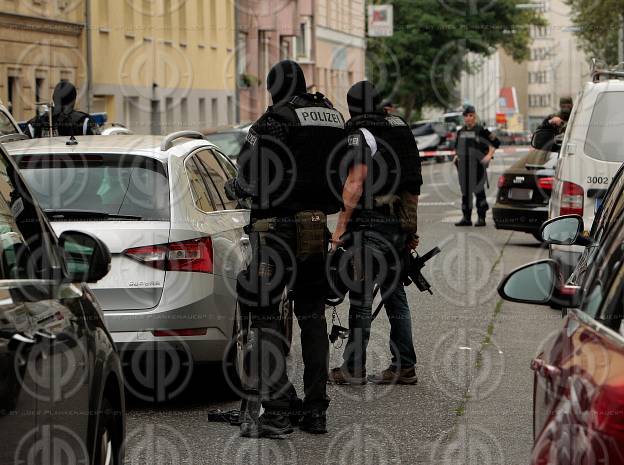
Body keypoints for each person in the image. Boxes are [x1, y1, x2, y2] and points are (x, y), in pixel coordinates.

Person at [225, 60, 345, 438]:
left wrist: (237, 189)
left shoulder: (273, 121)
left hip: (275, 230)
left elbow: (248, 177)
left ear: (275, 86)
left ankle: (276, 411)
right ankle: (315, 412)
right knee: (311, 316)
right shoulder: (333, 117)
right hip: (315, 227)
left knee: (263, 317)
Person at [328, 81, 422, 386]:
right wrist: (411, 228)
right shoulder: (400, 128)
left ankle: (353, 367)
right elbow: (413, 183)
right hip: (397, 224)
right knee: (395, 296)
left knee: (361, 298)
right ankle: (404, 365)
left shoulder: (360, 133)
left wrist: (341, 226)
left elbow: (356, 181)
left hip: (369, 224)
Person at [453, 105, 500, 227]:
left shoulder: (481, 130)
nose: (468, 118)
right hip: (463, 167)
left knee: (479, 192)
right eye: (466, 116)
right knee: (465, 193)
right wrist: (456, 157)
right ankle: (466, 218)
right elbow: (457, 148)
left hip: (477, 166)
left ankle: (481, 217)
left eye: (471, 115)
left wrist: (489, 155)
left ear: (474, 117)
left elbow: (495, 142)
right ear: (464, 117)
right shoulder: (461, 132)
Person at [27, 80, 100, 138]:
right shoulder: (85, 122)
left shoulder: (34, 124)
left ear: (53, 99)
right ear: (74, 100)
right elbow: (97, 147)